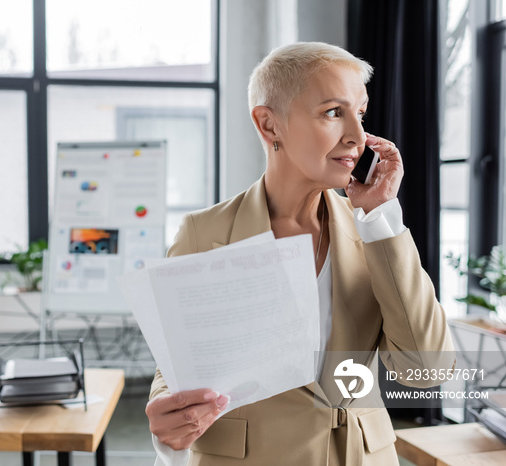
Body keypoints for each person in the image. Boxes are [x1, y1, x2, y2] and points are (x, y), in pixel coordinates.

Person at [145, 42, 454, 466]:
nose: (358, 137)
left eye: (360, 113)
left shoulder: (376, 233)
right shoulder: (205, 233)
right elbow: (175, 370)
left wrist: (381, 217)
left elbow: (427, 369)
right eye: (333, 112)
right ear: (270, 125)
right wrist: (171, 417)